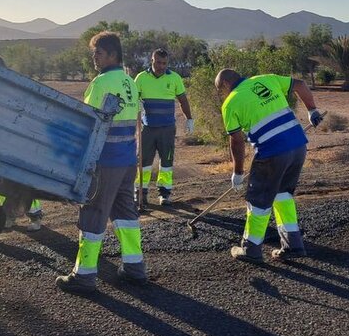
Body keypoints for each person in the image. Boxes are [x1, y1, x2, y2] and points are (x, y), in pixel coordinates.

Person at [56, 32, 147, 293]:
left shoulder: (101, 82)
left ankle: (84, 275)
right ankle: (134, 267)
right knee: (125, 213)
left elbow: (89, 123)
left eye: (98, 53)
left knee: (94, 212)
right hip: (128, 159)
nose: (94, 58)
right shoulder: (130, 82)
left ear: (112, 55)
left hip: (106, 161)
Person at [214, 69, 323, 262]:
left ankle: (250, 250)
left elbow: (237, 141)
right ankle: (293, 245)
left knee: (258, 202)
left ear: (224, 86)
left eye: (220, 91)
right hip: (298, 145)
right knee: (283, 195)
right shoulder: (266, 78)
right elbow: (300, 84)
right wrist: (312, 109)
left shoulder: (230, 103)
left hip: (272, 153)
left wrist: (237, 172)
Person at [0, 54, 44, 231]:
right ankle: (8, 217)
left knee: (22, 182)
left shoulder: (12, 88)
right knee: (1, 182)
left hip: (15, 143)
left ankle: (35, 217)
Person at [134, 49, 194, 206]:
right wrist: (136, 105)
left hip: (167, 129)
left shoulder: (174, 78)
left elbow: (183, 99)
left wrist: (189, 119)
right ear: (151, 60)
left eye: (164, 63)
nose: (161, 66)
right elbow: (132, 101)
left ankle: (164, 194)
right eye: (158, 62)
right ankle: (141, 193)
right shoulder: (141, 78)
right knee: (143, 162)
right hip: (147, 128)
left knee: (166, 161)